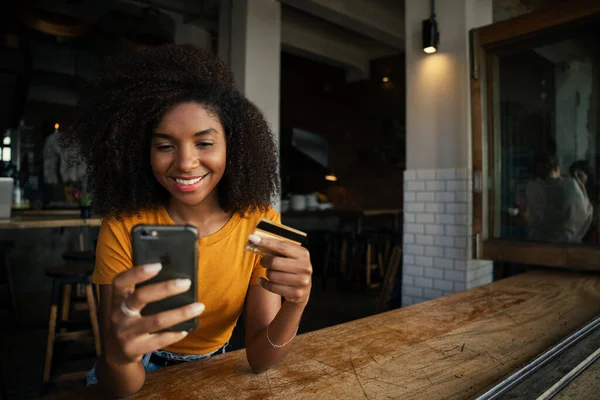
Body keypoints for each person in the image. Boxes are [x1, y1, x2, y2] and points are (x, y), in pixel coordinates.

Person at [61, 44, 313, 397]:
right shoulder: (123, 225)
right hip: (137, 373)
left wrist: (296, 304)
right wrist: (118, 355)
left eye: (204, 143)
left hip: (215, 369)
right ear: (141, 152)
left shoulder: (260, 224)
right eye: (165, 146)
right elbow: (122, 387)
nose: (185, 162)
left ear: (233, 147)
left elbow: (259, 358)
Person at [525, 152, 592, 243]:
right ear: (557, 168)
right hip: (564, 245)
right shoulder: (570, 186)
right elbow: (584, 213)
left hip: (537, 243)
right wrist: (580, 185)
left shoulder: (531, 187)